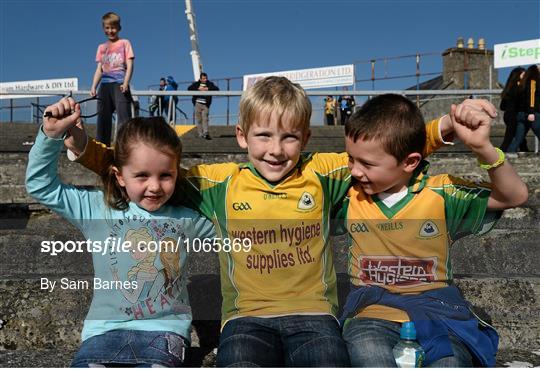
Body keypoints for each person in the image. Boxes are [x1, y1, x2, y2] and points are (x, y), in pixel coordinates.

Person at [63, 77, 492, 367]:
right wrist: (82, 144)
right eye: (264, 136)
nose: (275, 149)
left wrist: (448, 125)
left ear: (305, 139)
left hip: (314, 316)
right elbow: (139, 166)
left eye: (289, 136)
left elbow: (386, 153)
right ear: (242, 136)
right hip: (245, 319)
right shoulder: (220, 183)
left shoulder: (323, 171)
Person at [336, 94, 528, 367]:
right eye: (351, 159)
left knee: (450, 362)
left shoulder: (442, 192)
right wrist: (447, 124)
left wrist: (483, 148)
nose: (354, 171)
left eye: (366, 164)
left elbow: (515, 196)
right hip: (371, 315)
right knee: (368, 355)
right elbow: (386, 147)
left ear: (410, 162)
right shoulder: (349, 196)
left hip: (439, 314)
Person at [26, 97, 215, 367]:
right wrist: (50, 137)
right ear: (119, 176)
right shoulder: (98, 209)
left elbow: (237, 238)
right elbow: (41, 187)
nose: (154, 187)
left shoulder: (188, 220)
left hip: (164, 335)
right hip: (103, 333)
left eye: (166, 175)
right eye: (141, 176)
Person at [90, 12, 135, 146]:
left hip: (120, 83)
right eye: (107, 28)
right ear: (104, 28)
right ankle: (102, 147)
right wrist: (93, 86)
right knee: (103, 118)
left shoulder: (124, 43)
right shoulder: (101, 47)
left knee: (124, 117)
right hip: (104, 85)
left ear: (119, 28)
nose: (111, 31)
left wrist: (126, 82)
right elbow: (99, 69)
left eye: (113, 27)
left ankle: (125, 146)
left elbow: (130, 64)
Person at [508, 64, 540, 153]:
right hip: (531, 114)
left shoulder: (522, 83)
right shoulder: (532, 82)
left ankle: (509, 155)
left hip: (521, 114)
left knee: (518, 138)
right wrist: (531, 112)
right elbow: (531, 97)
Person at [500, 67, 528, 152]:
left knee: (519, 135)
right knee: (509, 138)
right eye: (523, 75)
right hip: (513, 116)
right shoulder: (518, 88)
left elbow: (502, 106)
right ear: (518, 76)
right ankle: (499, 154)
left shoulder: (508, 88)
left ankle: (525, 150)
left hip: (507, 115)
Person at [187, 72, 219, 139]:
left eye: (206, 78)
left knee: (205, 119)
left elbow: (217, 89)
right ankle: (200, 134)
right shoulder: (196, 84)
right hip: (197, 104)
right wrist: (198, 89)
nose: (205, 80)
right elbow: (189, 88)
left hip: (206, 104)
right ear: (200, 79)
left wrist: (208, 89)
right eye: (203, 78)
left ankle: (206, 133)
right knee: (199, 120)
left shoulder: (209, 84)